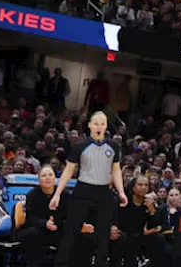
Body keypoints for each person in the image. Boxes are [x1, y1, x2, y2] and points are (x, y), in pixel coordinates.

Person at [52, 110, 128, 267]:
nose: (99, 126)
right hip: (83, 190)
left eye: (102, 123)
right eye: (95, 123)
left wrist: (121, 192)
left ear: (106, 126)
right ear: (89, 126)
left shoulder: (114, 146)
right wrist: (57, 193)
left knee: (103, 235)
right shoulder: (80, 146)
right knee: (71, 231)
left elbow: (116, 170)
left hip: (104, 192)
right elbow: (68, 170)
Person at [20, 164, 68, 267]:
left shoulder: (65, 195)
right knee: (30, 234)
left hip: (59, 228)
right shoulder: (32, 195)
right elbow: (31, 218)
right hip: (39, 228)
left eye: (50, 175)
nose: (47, 178)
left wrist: (57, 223)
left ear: (55, 178)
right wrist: (45, 223)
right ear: (39, 180)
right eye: (43, 175)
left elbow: (69, 216)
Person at [111, 176, 159, 267]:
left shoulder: (148, 203)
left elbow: (154, 226)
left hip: (140, 235)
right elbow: (114, 219)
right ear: (133, 187)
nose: (143, 187)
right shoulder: (123, 201)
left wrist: (152, 210)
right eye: (140, 185)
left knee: (158, 238)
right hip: (123, 234)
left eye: (146, 185)